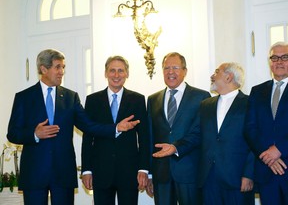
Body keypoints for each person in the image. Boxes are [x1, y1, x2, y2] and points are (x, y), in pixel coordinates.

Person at [6, 49, 139, 205]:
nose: (62, 72)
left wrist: (116, 128)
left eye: (63, 67)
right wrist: (34, 134)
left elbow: (89, 126)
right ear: (43, 69)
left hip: (63, 175)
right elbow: (13, 134)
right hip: (35, 175)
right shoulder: (24, 97)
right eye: (57, 67)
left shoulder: (70, 97)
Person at [81, 55, 150, 205]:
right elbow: (87, 138)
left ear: (127, 74)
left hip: (129, 172)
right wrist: (86, 170)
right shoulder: (92, 100)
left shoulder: (137, 100)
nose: (116, 75)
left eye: (121, 71)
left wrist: (144, 169)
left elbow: (144, 137)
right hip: (100, 172)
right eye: (112, 70)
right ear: (106, 73)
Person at [146, 52, 210, 205]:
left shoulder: (201, 97)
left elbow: (201, 133)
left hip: (190, 172)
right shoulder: (152, 99)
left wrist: (176, 147)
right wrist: (149, 173)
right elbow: (149, 138)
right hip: (161, 174)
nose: (170, 72)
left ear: (185, 71)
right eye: (166, 68)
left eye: (175, 67)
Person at [198, 62, 255, 205]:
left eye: (217, 72)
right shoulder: (205, 105)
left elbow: (255, 142)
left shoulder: (251, 103)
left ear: (229, 77)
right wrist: (176, 147)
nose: (212, 76)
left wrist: (248, 174)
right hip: (209, 178)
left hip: (238, 178)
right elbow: (197, 136)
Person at [245, 41, 288, 205]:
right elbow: (249, 128)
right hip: (266, 170)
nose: (279, 61)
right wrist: (267, 155)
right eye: (274, 58)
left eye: (284, 57)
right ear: (270, 63)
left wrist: (279, 149)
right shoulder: (257, 91)